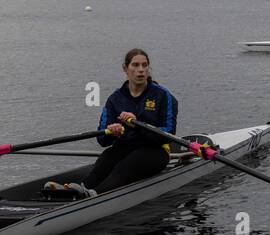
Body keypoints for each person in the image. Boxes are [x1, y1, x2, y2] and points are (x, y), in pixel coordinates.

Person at [48, 48, 177, 197]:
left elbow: (168, 132)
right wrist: (112, 132)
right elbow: (102, 139)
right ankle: (79, 190)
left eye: (144, 65)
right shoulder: (115, 99)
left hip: (155, 151)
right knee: (107, 158)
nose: (141, 70)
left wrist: (138, 126)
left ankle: (94, 195)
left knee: (128, 164)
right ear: (125, 69)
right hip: (124, 148)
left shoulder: (163, 95)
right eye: (135, 65)